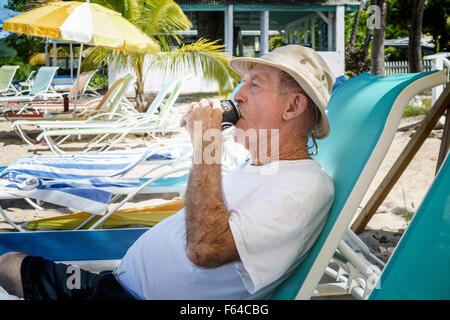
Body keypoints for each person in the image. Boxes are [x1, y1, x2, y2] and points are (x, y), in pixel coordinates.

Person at [0, 45, 335, 300]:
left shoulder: (303, 187)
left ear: (292, 106)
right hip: (112, 282)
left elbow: (205, 250)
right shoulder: (259, 166)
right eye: (242, 82)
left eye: (255, 85)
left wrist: (206, 144)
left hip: (121, 297)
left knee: (8, 265)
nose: (238, 94)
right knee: (11, 262)